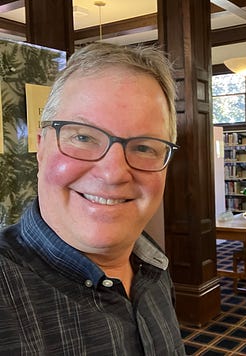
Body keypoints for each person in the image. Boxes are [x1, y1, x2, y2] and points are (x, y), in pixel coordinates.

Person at [0, 42, 186, 355]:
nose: (113, 173)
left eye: (143, 147)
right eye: (83, 137)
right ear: (41, 147)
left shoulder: (152, 263)